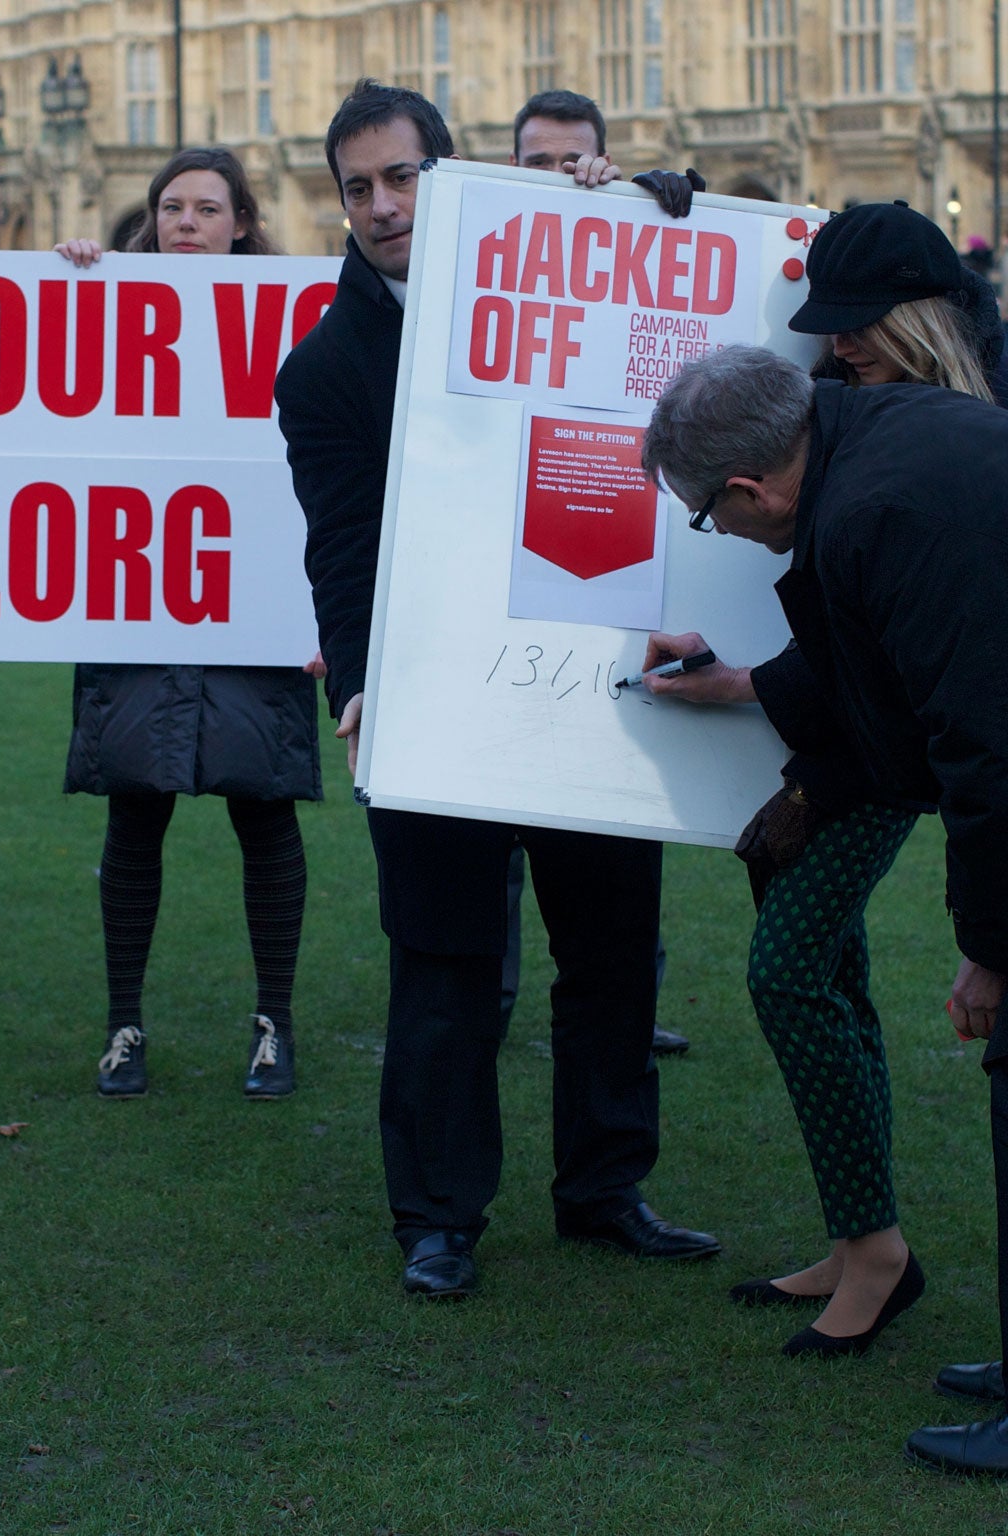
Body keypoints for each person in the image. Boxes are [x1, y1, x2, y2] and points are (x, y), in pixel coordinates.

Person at [272, 80, 718, 1300]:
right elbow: (341, 551)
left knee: (612, 952)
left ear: (448, 173)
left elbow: (689, 304)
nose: (377, 207)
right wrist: (359, 688)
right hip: (430, 703)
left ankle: (603, 1187)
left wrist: (643, 209)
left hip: (588, 681)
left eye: (399, 178)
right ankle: (436, 1216)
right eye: (354, 187)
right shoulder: (321, 369)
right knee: (445, 963)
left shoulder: (567, 265)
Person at [636, 343, 1008, 1471]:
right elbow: (870, 675)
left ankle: (877, 1257)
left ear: (748, 490)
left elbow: (974, 746)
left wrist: (987, 950)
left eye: (706, 516)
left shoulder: (869, 505)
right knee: (805, 969)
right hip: (939, 753)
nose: (719, 535)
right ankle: (870, 1250)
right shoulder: (865, 447)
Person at [53, 148, 322, 1101]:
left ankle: (273, 1024)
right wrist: (72, 276)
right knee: (136, 811)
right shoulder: (104, 306)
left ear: (242, 222)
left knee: (264, 810)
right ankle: (124, 1024)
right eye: (172, 208)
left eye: (208, 209)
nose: (187, 224)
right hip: (137, 595)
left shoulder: (299, 322)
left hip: (254, 598)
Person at [500, 87, 706, 1057]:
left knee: (608, 888)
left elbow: (693, 309)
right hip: (497, 618)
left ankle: (609, 1159)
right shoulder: (475, 261)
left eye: (570, 160)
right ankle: (494, 995)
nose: (554, 179)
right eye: (533, 164)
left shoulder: (626, 241)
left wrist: (655, 207)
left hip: (603, 598)